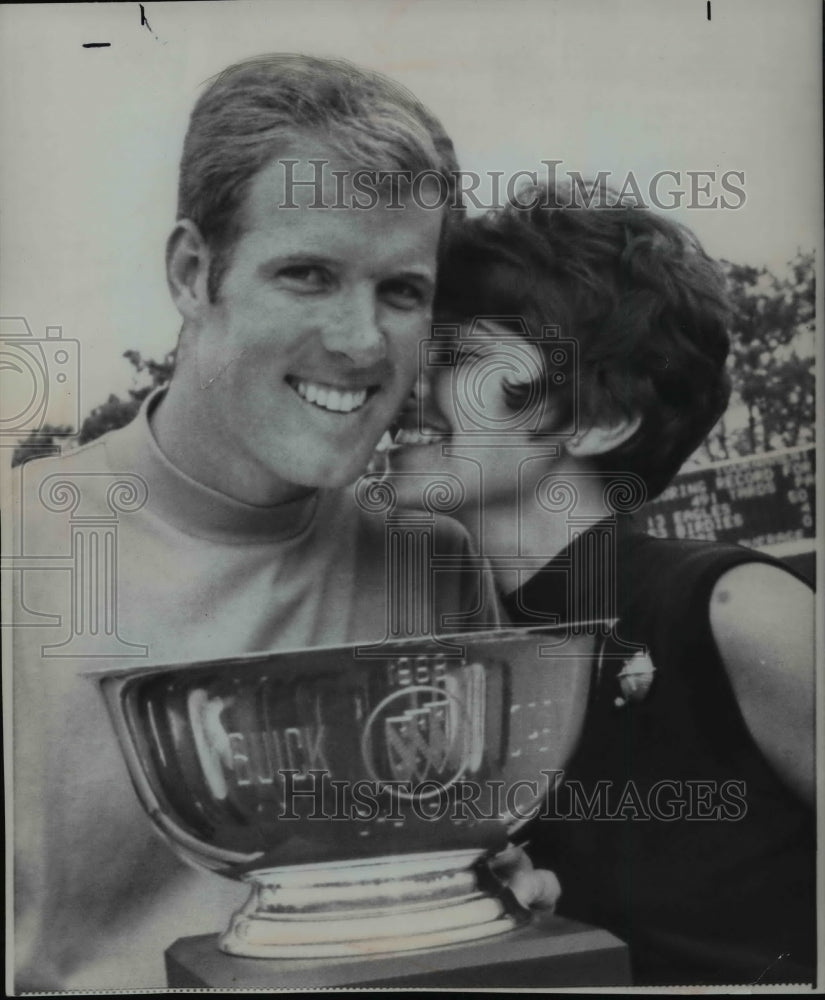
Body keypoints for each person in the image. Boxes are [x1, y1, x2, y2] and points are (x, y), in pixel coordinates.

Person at [8, 55, 501, 992]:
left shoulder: (433, 563)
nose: (360, 342)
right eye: (307, 274)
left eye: (401, 291)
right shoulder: (21, 550)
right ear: (195, 274)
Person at [384, 182, 816, 985]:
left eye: (460, 360)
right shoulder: (438, 662)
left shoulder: (733, 614)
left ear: (597, 415)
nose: (409, 387)